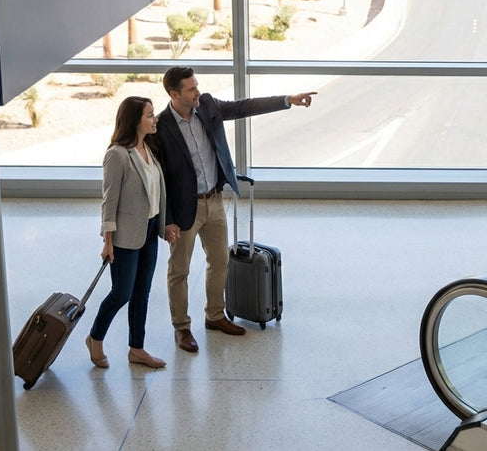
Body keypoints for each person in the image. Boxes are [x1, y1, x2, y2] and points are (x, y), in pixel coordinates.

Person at [153, 66, 315, 351]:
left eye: (197, 85)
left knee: (220, 262)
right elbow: (158, 178)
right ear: (173, 94)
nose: (197, 92)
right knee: (179, 271)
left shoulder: (208, 106)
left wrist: (288, 99)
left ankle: (215, 316)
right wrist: (166, 221)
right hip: (183, 210)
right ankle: (182, 327)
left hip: (214, 200)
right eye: (191, 89)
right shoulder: (161, 126)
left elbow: (244, 107)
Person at [85, 96, 181, 370]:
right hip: (125, 236)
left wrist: (164, 225)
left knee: (143, 293)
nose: (155, 119)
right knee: (122, 293)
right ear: (134, 120)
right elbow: (109, 201)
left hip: (150, 230)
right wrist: (108, 241)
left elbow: (154, 193)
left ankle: (136, 349)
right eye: (150, 115)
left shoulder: (149, 148)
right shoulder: (117, 154)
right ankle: (95, 337)